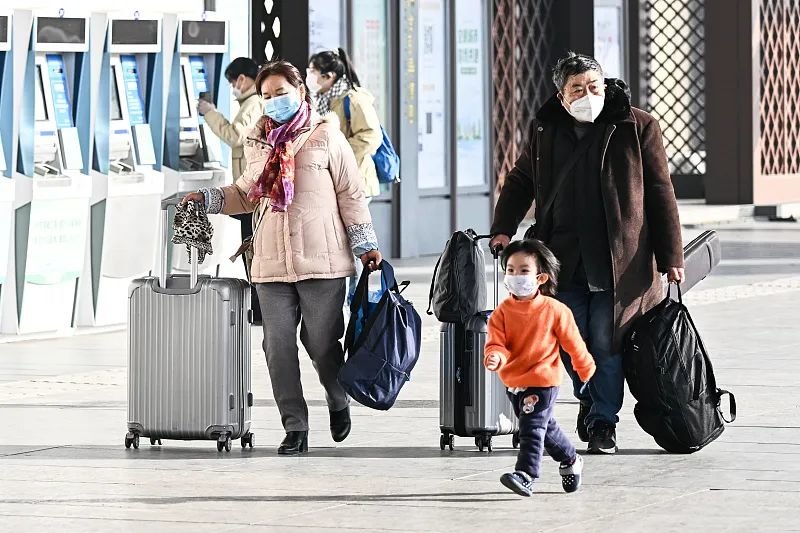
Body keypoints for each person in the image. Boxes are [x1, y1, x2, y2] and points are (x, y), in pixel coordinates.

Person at [183, 60, 382, 455]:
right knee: (277, 347)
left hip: (321, 261)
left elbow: (351, 194)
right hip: (271, 262)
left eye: (280, 93)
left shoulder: (326, 137)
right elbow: (245, 193)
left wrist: (365, 245)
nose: (273, 102)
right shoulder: (257, 144)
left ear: (301, 93)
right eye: (267, 95)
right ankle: (296, 427)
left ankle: (337, 396)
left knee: (323, 344)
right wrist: (206, 199)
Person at [489, 52, 685, 455]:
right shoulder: (547, 128)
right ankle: (591, 399)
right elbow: (521, 179)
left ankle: (602, 423)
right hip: (562, 259)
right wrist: (503, 229)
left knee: (604, 341)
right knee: (567, 339)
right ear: (561, 96)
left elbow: (661, 192)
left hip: (618, 261)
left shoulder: (638, 125)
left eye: (594, 85)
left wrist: (671, 257)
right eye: (577, 88)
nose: (588, 94)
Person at [485, 239, 595, 497]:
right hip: (514, 381)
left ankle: (525, 475)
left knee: (531, 429)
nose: (516, 276)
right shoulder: (502, 312)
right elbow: (496, 343)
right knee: (545, 428)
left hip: (543, 380)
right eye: (510, 270)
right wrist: (495, 357)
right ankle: (570, 461)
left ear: (541, 277)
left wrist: (584, 367)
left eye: (524, 271)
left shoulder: (555, 310)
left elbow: (573, 342)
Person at [306, 48, 383, 306]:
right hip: (334, 181)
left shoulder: (353, 99)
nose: (310, 77)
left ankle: (358, 298)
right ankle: (352, 297)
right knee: (345, 242)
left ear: (329, 76)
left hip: (356, 181)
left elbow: (371, 136)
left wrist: (340, 154)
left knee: (356, 241)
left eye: (313, 72)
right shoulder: (325, 98)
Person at [197, 57, 264, 323]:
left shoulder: (252, 104)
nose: (233, 88)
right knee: (251, 247)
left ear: (242, 79)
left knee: (253, 248)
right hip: (249, 191)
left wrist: (209, 112)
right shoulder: (251, 103)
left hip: (252, 193)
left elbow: (235, 136)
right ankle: (259, 307)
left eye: (232, 82)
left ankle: (260, 308)